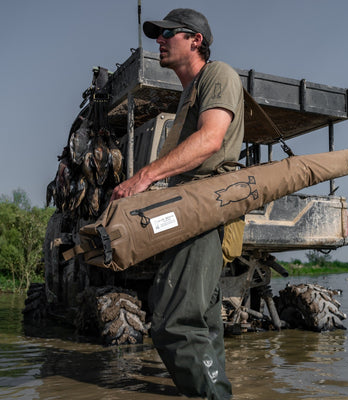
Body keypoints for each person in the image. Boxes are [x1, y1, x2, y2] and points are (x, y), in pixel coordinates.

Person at [111, 8, 244, 399]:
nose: (159, 40)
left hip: (205, 208)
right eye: (158, 34)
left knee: (173, 322)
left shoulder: (217, 74)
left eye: (169, 33)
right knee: (201, 320)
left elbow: (211, 140)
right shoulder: (189, 91)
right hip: (192, 209)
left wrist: (143, 176)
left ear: (196, 40)